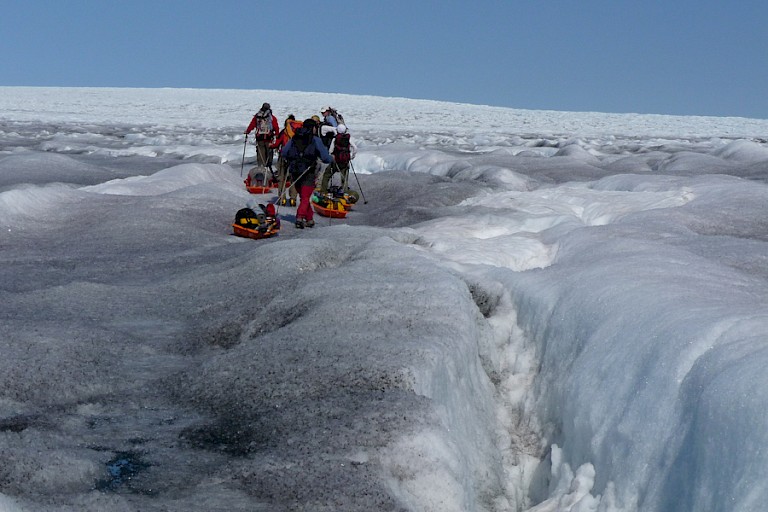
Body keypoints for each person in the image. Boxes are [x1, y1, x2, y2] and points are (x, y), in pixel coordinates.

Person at [281, 119, 333, 229]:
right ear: (313, 128)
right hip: (308, 171)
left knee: (304, 196)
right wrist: (331, 159)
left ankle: (309, 219)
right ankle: (299, 217)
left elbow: (284, 152)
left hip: (295, 171)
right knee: (305, 197)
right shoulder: (315, 139)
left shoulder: (295, 138)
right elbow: (325, 158)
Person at [270, 116, 301, 205]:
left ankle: (282, 198)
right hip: (295, 157)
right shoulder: (298, 132)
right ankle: (293, 198)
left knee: (281, 177)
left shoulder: (284, 132)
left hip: (283, 157)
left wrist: (271, 146)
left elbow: (277, 144)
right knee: (293, 178)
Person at [319, 123, 357, 196]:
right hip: (345, 161)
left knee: (327, 175)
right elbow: (355, 148)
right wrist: (351, 156)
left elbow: (330, 151)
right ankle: (344, 192)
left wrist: (332, 157)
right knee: (344, 178)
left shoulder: (335, 139)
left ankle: (323, 191)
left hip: (336, 161)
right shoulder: (348, 138)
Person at [244, 102, 279, 171]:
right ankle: (268, 168)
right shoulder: (272, 118)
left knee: (260, 153)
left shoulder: (257, 116)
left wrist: (248, 131)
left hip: (259, 138)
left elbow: (252, 124)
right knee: (269, 153)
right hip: (269, 138)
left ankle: (261, 167)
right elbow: (276, 127)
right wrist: (277, 134)